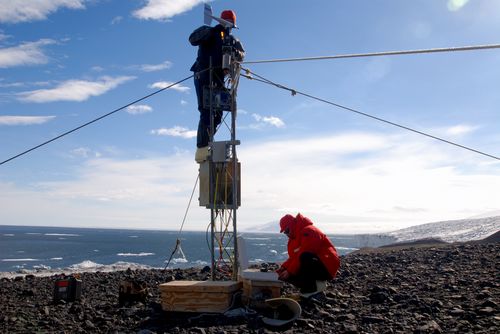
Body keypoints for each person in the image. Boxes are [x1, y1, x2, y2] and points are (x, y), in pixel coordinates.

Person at [189, 10, 245, 163]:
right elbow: (192, 39)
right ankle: (202, 148)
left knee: (218, 113)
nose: (228, 28)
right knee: (206, 111)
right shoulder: (209, 34)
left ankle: (207, 142)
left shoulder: (232, 40)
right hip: (203, 75)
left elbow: (242, 54)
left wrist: (235, 53)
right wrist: (208, 32)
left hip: (218, 79)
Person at [276, 213, 340, 296]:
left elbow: (307, 252)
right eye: (285, 232)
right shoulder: (293, 239)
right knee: (288, 275)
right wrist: (283, 268)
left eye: (287, 230)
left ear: (292, 225)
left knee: (305, 256)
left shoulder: (309, 231)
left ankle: (311, 289)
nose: (287, 234)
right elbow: (293, 258)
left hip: (327, 266)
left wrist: (289, 271)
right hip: (317, 264)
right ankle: (315, 286)